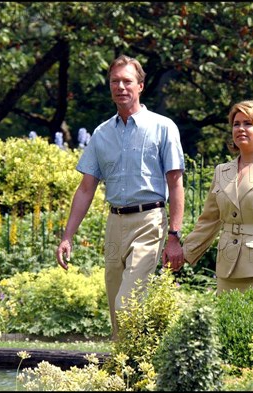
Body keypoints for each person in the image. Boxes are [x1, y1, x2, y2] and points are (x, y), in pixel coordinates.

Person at [56, 55, 185, 340]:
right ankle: (125, 371)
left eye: (127, 81)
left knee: (128, 302)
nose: (121, 87)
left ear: (140, 86)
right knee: (116, 306)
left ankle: (134, 366)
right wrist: (67, 236)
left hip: (150, 221)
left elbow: (175, 184)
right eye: (115, 81)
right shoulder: (101, 134)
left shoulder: (163, 127)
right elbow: (86, 188)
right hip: (114, 224)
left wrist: (174, 235)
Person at [181, 100, 253, 293]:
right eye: (236, 124)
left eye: (248, 123)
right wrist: (183, 253)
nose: (240, 129)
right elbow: (209, 221)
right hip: (227, 270)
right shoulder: (222, 171)